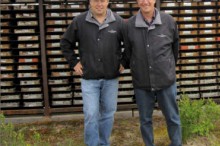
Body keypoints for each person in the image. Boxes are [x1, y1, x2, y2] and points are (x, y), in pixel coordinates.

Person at [60, 0, 124, 145]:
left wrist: (124, 62)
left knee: (108, 114)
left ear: (108, 1)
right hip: (89, 78)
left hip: (111, 78)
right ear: (90, 2)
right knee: (91, 114)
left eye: (102, 0)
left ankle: (103, 143)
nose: (99, 4)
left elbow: (130, 43)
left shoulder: (118, 21)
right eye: (96, 0)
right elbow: (65, 43)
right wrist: (74, 63)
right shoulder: (79, 21)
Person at [122, 0, 182, 145]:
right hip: (142, 82)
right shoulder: (129, 25)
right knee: (145, 120)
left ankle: (176, 143)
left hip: (165, 80)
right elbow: (128, 51)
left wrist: (166, 67)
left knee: (172, 117)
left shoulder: (168, 21)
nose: (145, 2)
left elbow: (175, 48)